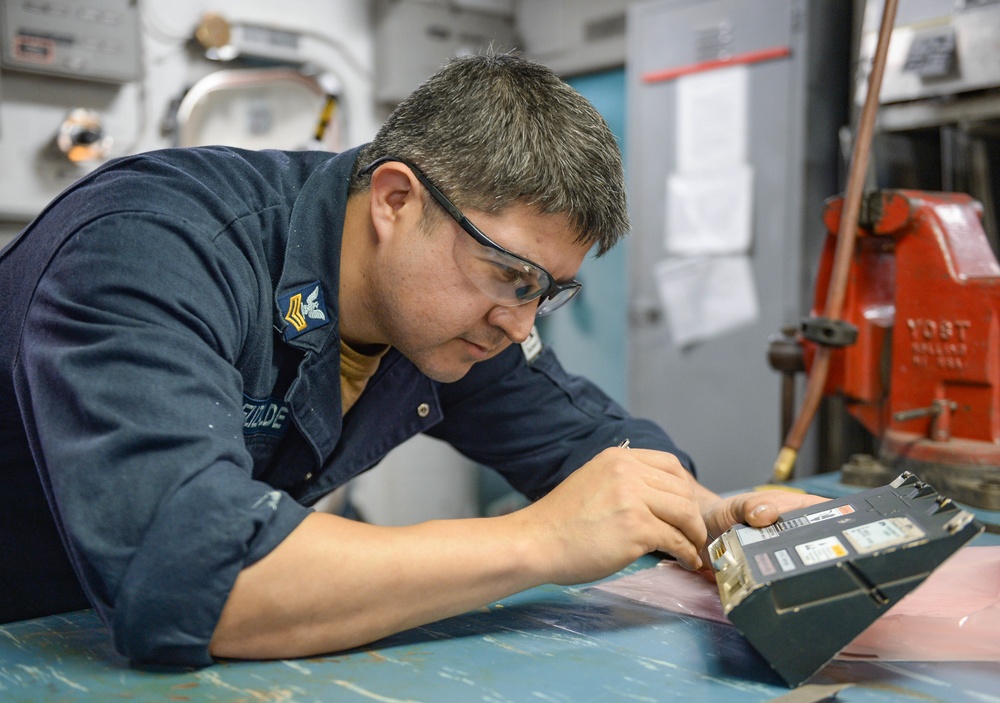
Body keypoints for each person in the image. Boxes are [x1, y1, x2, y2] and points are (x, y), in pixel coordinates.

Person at [0, 52, 825, 667]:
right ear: (397, 199)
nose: (520, 321)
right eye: (511, 276)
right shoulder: (151, 248)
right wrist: (542, 538)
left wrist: (718, 519)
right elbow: (195, 579)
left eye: (550, 291)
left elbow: (601, 449)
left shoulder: (446, 318)